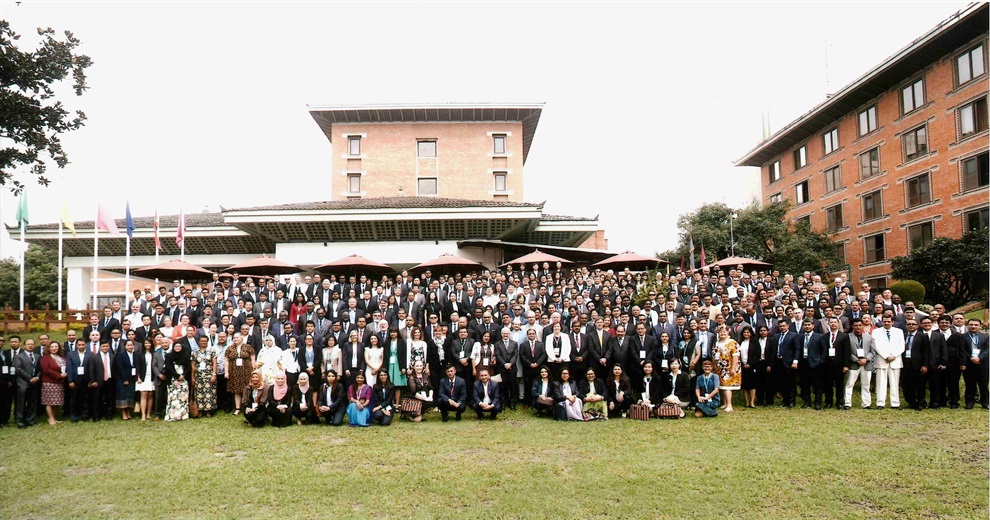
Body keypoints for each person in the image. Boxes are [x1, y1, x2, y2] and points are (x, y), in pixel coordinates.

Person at [872, 315, 905, 409]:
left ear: (892, 322)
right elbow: (876, 345)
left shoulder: (899, 331)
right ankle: (880, 403)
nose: (886, 323)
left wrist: (893, 355)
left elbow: (901, 346)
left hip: (895, 359)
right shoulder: (876, 332)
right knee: (881, 382)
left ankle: (895, 403)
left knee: (895, 383)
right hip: (882, 359)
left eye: (888, 321)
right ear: (882, 322)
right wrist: (886, 356)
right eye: (884, 321)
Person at [844, 320, 876, 409]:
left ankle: (866, 404)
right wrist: (857, 360)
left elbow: (872, 350)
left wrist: (866, 359)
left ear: (862, 326)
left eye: (859, 325)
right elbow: (847, 352)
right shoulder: (847, 337)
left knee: (866, 385)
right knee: (850, 384)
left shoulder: (869, 337)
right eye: (856, 325)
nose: (858, 327)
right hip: (854, 364)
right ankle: (847, 403)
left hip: (866, 364)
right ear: (852, 326)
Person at [225, 333, 255, 416]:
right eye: (234, 338)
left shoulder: (248, 347)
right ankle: (237, 408)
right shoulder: (230, 348)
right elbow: (226, 360)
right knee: (236, 390)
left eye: (237, 337)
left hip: (246, 371)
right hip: (234, 372)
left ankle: (247, 407)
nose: (235, 339)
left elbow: (252, 359)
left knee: (247, 389)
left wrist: (254, 370)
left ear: (242, 338)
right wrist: (226, 372)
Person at [712, 325, 740, 412]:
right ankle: (724, 403)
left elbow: (735, 356)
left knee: (727, 386)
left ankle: (729, 405)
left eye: (724, 332)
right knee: (721, 386)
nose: (722, 333)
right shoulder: (716, 342)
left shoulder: (732, 342)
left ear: (728, 333)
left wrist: (733, 368)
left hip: (728, 367)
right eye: (721, 332)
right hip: (718, 368)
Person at [962, 318, 989, 409]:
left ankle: (985, 402)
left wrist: (979, 358)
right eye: (971, 324)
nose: (973, 326)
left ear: (980, 326)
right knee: (970, 384)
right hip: (969, 364)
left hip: (983, 364)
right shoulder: (963, 337)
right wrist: (971, 358)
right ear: (967, 326)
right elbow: (962, 350)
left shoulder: (986, 336)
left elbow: (988, 349)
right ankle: (970, 401)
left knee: (984, 384)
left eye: (976, 325)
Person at [40, 341, 67, 426]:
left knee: (56, 401)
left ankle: (53, 417)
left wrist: (65, 374)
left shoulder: (61, 357)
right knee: (49, 402)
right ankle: (50, 418)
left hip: (59, 382)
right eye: (52, 347)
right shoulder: (45, 358)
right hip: (49, 382)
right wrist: (59, 375)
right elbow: (46, 370)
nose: (54, 348)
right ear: (49, 348)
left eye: (56, 346)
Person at [190, 335, 218, 417]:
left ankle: (208, 411)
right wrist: (192, 377)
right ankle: (200, 411)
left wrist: (214, 374)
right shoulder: (195, 352)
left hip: (209, 375)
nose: (203, 342)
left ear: (207, 341)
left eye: (205, 341)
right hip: (198, 375)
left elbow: (214, 363)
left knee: (209, 393)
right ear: (199, 341)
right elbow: (193, 365)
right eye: (201, 341)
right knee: (199, 393)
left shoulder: (211, 350)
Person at [163, 341, 190, 422]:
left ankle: (183, 415)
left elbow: (188, 367)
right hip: (173, 379)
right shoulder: (169, 356)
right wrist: (177, 376)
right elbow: (168, 367)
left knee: (183, 397)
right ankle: (172, 415)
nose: (177, 348)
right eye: (176, 346)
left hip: (183, 379)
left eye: (179, 346)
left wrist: (183, 375)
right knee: (173, 398)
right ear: (173, 347)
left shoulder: (185, 355)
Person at [114, 340, 139, 420]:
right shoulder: (120, 355)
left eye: (131, 345)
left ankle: (128, 412)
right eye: (128, 345)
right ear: (125, 346)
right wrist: (124, 379)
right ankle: (123, 413)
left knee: (130, 396)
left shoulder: (136, 355)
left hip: (132, 378)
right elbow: (120, 368)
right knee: (123, 396)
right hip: (122, 379)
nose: (130, 347)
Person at [386, 327, 409, 407]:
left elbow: (404, 355)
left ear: (397, 333)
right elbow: (385, 355)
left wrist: (404, 367)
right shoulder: (387, 342)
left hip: (398, 364)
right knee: (389, 385)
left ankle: (397, 404)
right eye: (391, 332)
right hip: (389, 365)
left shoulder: (401, 342)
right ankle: (390, 403)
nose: (393, 334)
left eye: (394, 332)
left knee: (398, 385)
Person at [737, 326, 759, 408]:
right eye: (744, 332)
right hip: (742, 366)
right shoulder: (740, 342)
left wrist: (750, 364)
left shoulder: (755, 342)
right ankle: (747, 402)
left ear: (751, 333)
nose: (746, 334)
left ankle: (752, 402)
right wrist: (743, 364)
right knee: (745, 385)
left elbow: (757, 354)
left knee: (752, 385)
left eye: (748, 332)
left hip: (752, 366)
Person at [136, 339, 155, 421]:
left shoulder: (154, 353)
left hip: (152, 376)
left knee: (150, 395)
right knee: (143, 395)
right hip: (143, 377)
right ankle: (143, 414)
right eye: (146, 343)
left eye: (149, 343)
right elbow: (137, 367)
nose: (148, 344)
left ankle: (148, 413)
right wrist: (138, 377)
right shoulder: (140, 354)